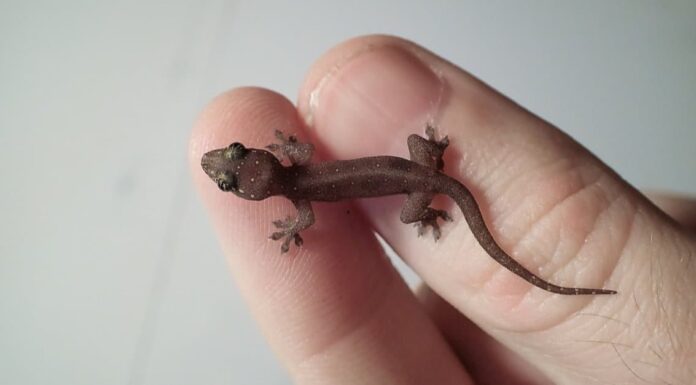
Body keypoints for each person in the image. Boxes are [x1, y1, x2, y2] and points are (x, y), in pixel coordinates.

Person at [189, 35, 695, 384]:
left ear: (261, 168)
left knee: (411, 216)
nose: (226, 163)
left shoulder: (299, 196)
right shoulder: (296, 166)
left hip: (425, 184)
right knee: (417, 142)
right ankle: (434, 176)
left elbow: (306, 219)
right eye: (232, 175)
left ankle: (431, 212)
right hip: (421, 164)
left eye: (232, 160)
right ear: (264, 168)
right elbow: (299, 155)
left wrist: (294, 233)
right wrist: (431, 162)